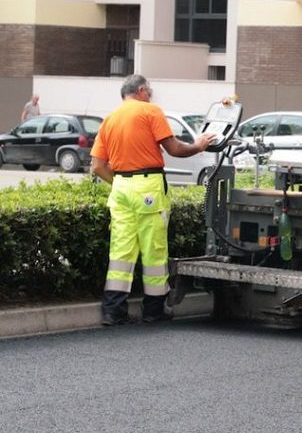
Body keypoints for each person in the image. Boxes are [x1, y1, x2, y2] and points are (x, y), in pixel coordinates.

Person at [90, 75, 217, 326]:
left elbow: (97, 166)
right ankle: (153, 309)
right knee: (154, 251)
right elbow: (175, 149)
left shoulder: (110, 119)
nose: (151, 95)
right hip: (148, 187)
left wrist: (121, 183)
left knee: (121, 251)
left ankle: (113, 311)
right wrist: (199, 145)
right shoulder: (150, 111)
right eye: (149, 91)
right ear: (141, 90)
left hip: (121, 188)